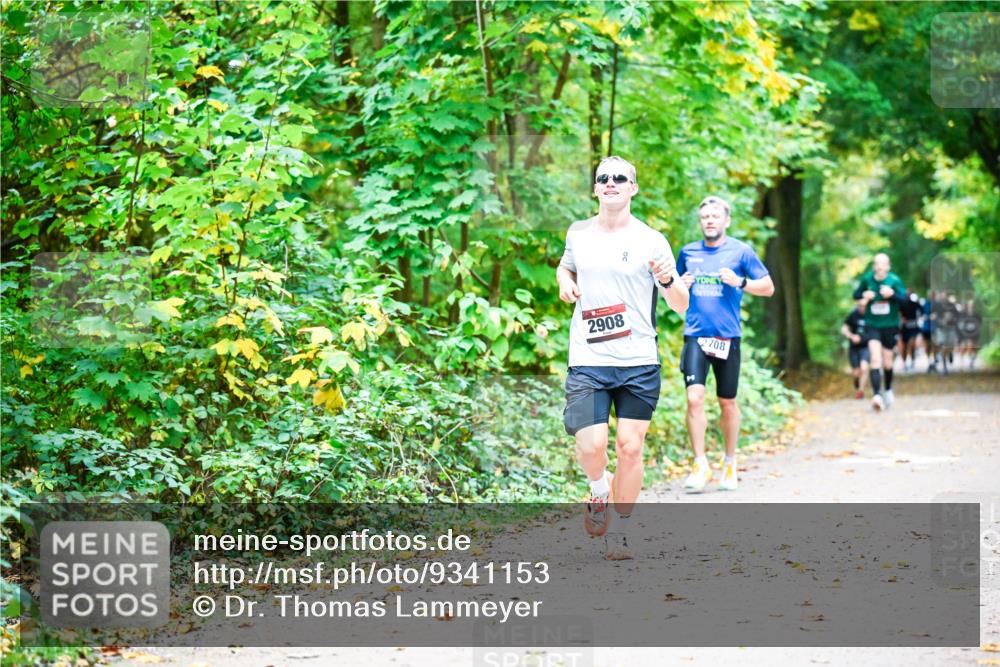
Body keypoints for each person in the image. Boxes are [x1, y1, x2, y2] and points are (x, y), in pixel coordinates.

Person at [557, 155, 689, 560]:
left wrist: (667, 278)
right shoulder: (579, 234)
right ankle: (599, 488)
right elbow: (566, 268)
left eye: (620, 178)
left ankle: (622, 530)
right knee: (590, 446)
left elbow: (681, 305)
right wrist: (565, 283)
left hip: (637, 359)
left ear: (633, 188)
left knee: (631, 448)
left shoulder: (652, 240)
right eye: (603, 178)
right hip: (589, 358)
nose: (611, 183)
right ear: (595, 188)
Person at [677, 195, 774, 493]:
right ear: (700, 221)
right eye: (705, 216)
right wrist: (681, 285)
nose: (709, 220)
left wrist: (740, 282)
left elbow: (768, 288)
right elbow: (673, 293)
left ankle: (730, 463)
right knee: (694, 399)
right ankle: (700, 463)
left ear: (726, 221)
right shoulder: (687, 252)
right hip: (695, 335)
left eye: (715, 216)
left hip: (726, 337)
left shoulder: (741, 252)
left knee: (726, 402)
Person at [853, 253, 906, 411]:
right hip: (872, 325)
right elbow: (855, 294)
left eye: (883, 264)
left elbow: (905, 300)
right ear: (874, 266)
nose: (880, 267)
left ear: (888, 266)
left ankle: (888, 390)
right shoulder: (867, 279)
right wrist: (864, 295)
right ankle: (876, 395)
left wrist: (893, 294)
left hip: (890, 325)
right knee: (875, 360)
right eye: (877, 264)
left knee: (888, 363)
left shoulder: (894, 281)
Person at [841, 303, 869, 399]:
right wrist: (851, 336)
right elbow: (844, 328)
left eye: (864, 306)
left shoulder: (871, 316)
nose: (862, 308)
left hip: (866, 347)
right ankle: (858, 386)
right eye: (860, 306)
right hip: (854, 348)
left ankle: (861, 391)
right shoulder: (854, 315)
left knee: (864, 368)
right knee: (856, 372)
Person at [898, 289, 922, 372]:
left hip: (913, 327)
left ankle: (912, 361)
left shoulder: (915, 303)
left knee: (912, 344)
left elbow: (921, 311)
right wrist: (901, 319)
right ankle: (904, 363)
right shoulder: (902, 303)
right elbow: (898, 312)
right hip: (904, 328)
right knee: (904, 346)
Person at [957, 299, 982, 369]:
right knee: (966, 346)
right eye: (970, 305)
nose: (971, 306)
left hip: (975, 334)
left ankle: (972, 359)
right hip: (966, 334)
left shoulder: (977, 315)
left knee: (974, 347)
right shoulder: (964, 314)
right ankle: (961, 360)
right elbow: (961, 323)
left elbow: (979, 324)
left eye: (972, 305)